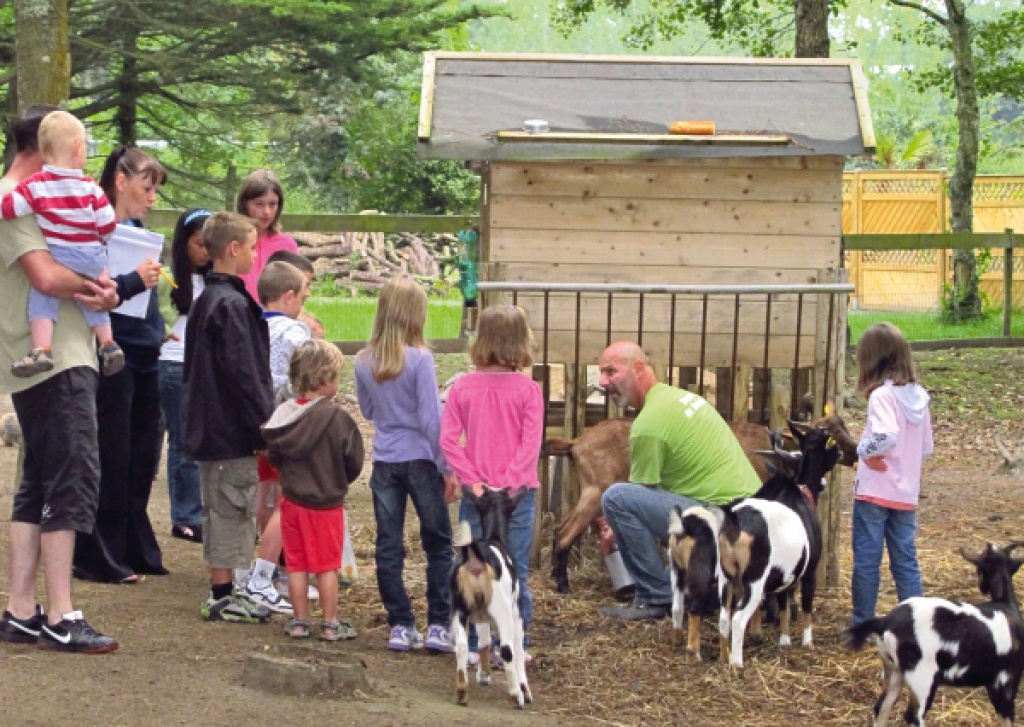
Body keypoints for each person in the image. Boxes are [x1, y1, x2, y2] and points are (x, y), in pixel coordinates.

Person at [0, 105, 120, 652]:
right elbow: (47, 275)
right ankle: (61, 613)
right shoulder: (18, 202)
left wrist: (105, 288)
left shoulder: (34, 198)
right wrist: (98, 289)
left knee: (37, 484)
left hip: (45, 358)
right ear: (38, 149)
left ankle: (22, 610)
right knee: (72, 475)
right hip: (55, 360)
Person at [595, 341, 762, 621]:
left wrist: (616, 530)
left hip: (721, 521)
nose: (602, 382)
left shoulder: (649, 425)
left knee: (617, 498)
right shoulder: (678, 398)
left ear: (638, 368)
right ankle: (699, 590)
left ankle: (654, 597)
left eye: (611, 372)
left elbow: (639, 496)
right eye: (601, 373)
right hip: (752, 518)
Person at [72, 146, 167, 584]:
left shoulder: (136, 230)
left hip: (145, 350)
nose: (151, 197)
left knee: (143, 454)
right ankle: (100, 548)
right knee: (113, 452)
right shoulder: (97, 229)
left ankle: (133, 541)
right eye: (147, 188)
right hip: (114, 353)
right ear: (121, 181)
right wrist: (133, 281)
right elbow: (95, 289)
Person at [355, 276, 456, 653]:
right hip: (421, 460)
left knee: (388, 544)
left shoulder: (364, 360)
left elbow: (366, 409)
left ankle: (400, 623)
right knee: (438, 544)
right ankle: (439, 624)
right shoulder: (421, 359)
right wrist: (447, 466)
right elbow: (432, 419)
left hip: (385, 459)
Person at [183, 211, 273, 624]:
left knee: (225, 503)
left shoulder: (207, 300)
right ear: (233, 249)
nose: (256, 254)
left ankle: (229, 587)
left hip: (212, 423)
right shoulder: (232, 305)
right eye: (252, 246)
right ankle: (223, 592)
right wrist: (263, 425)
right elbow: (245, 373)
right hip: (229, 428)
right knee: (230, 506)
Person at [440, 304, 544, 663]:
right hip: (518, 496)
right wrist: (511, 484)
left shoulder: (461, 388)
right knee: (515, 568)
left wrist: (473, 480)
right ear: (520, 341)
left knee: (471, 568)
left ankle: (471, 645)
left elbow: (449, 440)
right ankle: (514, 644)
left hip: (477, 495)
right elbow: (532, 444)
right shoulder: (529, 390)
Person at [0, 110, 122, 378]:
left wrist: (108, 297)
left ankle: (43, 347)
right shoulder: (86, 186)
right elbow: (48, 279)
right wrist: (103, 291)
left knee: (42, 303)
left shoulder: (32, 190)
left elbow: (8, 209)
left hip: (74, 356)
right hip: (58, 369)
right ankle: (107, 343)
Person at [262, 339, 364, 641]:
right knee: (327, 566)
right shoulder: (338, 419)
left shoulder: (283, 417)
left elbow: (275, 458)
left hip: (293, 501)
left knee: (296, 563)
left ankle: (299, 621)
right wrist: (338, 480)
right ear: (326, 379)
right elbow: (354, 459)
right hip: (328, 502)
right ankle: (330, 622)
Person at [237, 261, 312, 615]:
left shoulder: (248, 327)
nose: (306, 300)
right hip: (287, 427)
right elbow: (301, 382)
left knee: (262, 498)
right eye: (304, 293)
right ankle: (269, 571)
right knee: (289, 500)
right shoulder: (296, 333)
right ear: (288, 296)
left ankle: (258, 568)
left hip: (254, 424)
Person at [850, 322, 932, 626]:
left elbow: (886, 436)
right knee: (905, 561)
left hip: (874, 491)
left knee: (867, 562)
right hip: (906, 493)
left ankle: (863, 624)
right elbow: (925, 447)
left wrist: (863, 450)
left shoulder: (881, 397)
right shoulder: (920, 397)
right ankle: (919, 625)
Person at [157, 208, 212, 543]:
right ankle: (185, 516)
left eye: (209, 244)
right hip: (174, 364)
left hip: (203, 367)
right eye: (198, 244)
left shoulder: (215, 279)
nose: (204, 251)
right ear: (184, 242)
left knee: (199, 442)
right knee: (182, 441)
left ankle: (198, 510)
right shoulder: (167, 277)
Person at [235, 169, 298, 302]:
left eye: (272, 204)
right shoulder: (232, 242)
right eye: (259, 204)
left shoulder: (287, 245)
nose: (266, 212)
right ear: (244, 204)